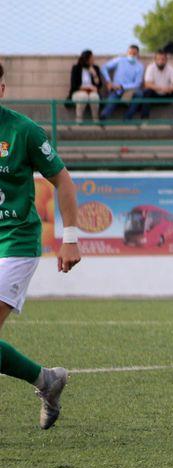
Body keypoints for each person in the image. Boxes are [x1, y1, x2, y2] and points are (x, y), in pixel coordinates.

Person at [0, 61, 83, 429]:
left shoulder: (24, 132)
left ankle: (46, 381)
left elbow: (63, 181)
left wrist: (70, 238)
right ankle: (46, 380)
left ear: (1, 91)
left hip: (16, 243)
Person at [99, 45, 144, 121]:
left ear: (137, 55)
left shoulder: (140, 66)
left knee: (139, 94)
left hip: (130, 90)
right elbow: (104, 67)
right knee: (109, 106)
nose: (132, 55)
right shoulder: (120, 60)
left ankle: (128, 117)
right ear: (127, 53)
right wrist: (108, 82)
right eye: (130, 53)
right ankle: (103, 118)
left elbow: (137, 83)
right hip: (115, 90)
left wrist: (122, 86)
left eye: (134, 53)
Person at [139, 50, 173, 119]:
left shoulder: (170, 68)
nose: (161, 61)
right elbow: (147, 84)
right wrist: (161, 88)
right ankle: (144, 117)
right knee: (146, 92)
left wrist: (170, 89)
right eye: (158, 59)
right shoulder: (150, 67)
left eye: (163, 59)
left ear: (166, 60)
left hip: (167, 93)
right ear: (155, 60)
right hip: (155, 94)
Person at [67, 50, 103, 123]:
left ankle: (96, 120)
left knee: (95, 97)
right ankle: (79, 120)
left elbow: (99, 85)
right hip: (78, 92)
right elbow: (74, 85)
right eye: (91, 58)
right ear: (86, 59)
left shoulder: (95, 68)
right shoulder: (76, 68)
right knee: (83, 96)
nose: (93, 60)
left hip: (92, 92)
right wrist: (86, 88)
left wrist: (94, 75)